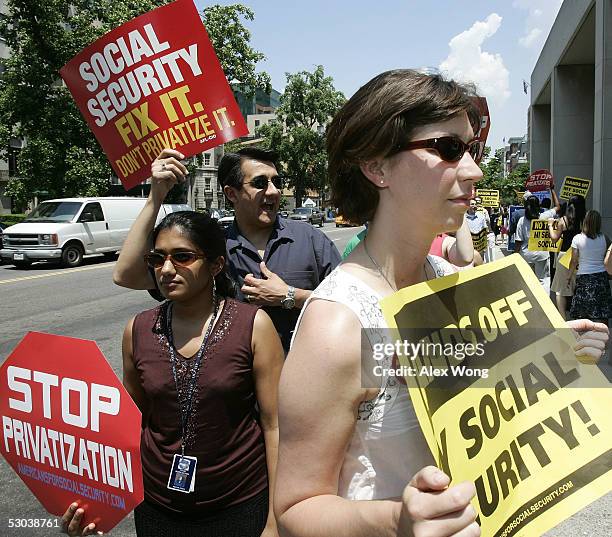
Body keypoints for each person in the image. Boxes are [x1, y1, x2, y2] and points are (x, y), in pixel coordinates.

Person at [273, 69, 609, 537]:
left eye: (473, 151)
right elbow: (295, 508)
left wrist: (549, 352)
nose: (473, 170)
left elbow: (481, 392)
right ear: (377, 166)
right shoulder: (339, 324)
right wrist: (398, 521)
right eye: (448, 149)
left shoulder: (461, 286)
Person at [62, 212, 284, 536]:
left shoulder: (252, 326)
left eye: (182, 257)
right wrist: (94, 507)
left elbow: (275, 424)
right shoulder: (137, 330)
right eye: (157, 258)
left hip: (239, 504)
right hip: (157, 508)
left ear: (216, 265)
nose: (166, 270)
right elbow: (130, 424)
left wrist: (275, 521)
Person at [113, 147, 341, 352]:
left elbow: (356, 305)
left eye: (277, 182)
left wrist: (292, 296)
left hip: (304, 383)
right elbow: (126, 275)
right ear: (231, 193)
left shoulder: (311, 240)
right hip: (233, 390)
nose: (273, 192)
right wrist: (155, 196)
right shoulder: (208, 247)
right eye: (260, 183)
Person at [568, 209, 612, 328]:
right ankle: (604, 339)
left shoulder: (577, 238)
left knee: (582, 313)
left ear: (585, 221)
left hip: (584, 278)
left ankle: (584, 339)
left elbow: (574, 261)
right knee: (603, 312)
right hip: (601, 277)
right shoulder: (605, 238)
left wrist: (568, 276)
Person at [548, 195, 586, 319]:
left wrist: (549, 225)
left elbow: (554, 239)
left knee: (561, 290)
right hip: (581, 256)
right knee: (578, 288)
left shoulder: (563, 220)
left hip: (564, 257)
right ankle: (579, 317)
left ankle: (563, 318)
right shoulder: (585, 220)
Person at [514, 195, 551, 293]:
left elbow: (518, 240)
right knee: (543, 280)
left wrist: (515, 255)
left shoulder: (522, 220)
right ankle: (545, 302)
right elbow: (557, 208)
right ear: (539, 205)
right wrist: (552, 190)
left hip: (527, 255)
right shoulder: (544, 217)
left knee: (527, 280)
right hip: (542, 254)